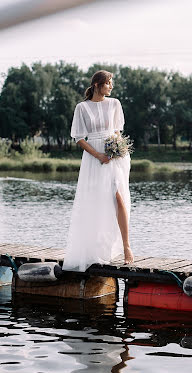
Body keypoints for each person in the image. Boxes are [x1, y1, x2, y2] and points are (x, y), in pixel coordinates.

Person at [62, 70, 134, 272]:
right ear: (97, 85)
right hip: (94, 160)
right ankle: (95, 249)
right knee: (96, 202)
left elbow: (117, 132)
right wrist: (98, 155)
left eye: (111, 83)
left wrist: (118, 149)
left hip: (114, 158)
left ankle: (127, 247)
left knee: (119, 198)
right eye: (108, 83)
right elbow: (79, 138)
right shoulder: (82, 108)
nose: (111, 86)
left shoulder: (115, 104)